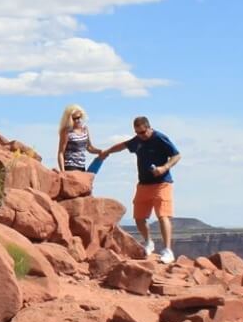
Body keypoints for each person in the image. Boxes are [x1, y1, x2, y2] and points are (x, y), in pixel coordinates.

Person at [96, 116, 181, 264]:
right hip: (143, 184)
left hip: (162, 183)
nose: (140, 135)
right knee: (139, 218)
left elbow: (177, 155)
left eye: (142, 132)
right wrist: (107, 152)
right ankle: (149, 242)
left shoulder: (160, 138)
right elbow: (123, 145)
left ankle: (168, 250)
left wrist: (164, 168)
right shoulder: (138, 140)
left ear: (149, 128)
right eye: (137, 132)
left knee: (163, 216)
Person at [57, 104, 101, 173]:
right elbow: (61, 153)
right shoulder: (66, 132)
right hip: (70, 166)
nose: (78, 120)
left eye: (79, 117)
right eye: (75, 118)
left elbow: (89, 147)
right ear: (69, 119)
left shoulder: (85, 129)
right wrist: (63, 172)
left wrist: (100, 151)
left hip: (82, 166)